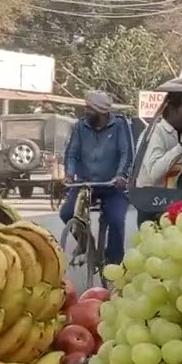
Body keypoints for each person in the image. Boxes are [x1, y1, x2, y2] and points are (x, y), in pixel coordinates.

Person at [60, 91, 134, 265]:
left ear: (102, 111)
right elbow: (72, 153)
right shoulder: (80, 127)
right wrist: (70, 174)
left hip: (112, 185)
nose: (85, 111)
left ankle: (113, 262)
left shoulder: (119, 126)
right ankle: (86, 244)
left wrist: (121, 175)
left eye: (89, 108)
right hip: (85, 183)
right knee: (67, 213)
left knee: (116, 219)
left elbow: (126, 153)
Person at [134, 94, 182, 224]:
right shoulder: (156, 133)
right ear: (172, 108)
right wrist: (180, 148)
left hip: (166, 200)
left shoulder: (176, 133)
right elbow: (155, 173)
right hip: (151, 202)